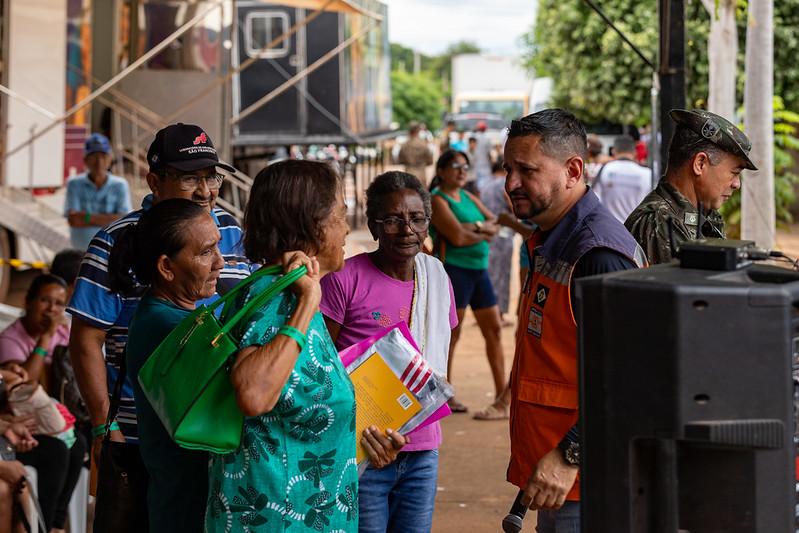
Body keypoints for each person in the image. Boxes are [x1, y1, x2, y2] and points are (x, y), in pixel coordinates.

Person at [67, 123, 250, 469]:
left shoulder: (230, 230)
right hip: (142, 437)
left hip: (218, 431)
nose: (204, 192)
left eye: (211, 178)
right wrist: (104, 425)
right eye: (189, 178)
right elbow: (86, 341)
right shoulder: (115, 242)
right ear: (154, 182)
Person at [503, 109, 646, 532]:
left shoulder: (598, 254)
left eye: (526, 170)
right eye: (508, 168)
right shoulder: (553, 237)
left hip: (587, 480)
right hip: (559, 476)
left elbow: (631, 372)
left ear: (573, 170)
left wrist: (571, 454)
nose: (511, 183)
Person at [206, 160, 358, 531]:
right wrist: (307, 304)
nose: (347, 228)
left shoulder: (294, 288)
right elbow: (254, 394)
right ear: (311, 223)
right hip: (277, 517)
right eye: (340, 214)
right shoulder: (281, 298)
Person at [320, 171, 457, 532]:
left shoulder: (437, 279)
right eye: (392, 219)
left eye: (416, 219)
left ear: (428, 223)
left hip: (422, 450)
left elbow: (440, 359)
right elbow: (321, 367)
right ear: (373, 225)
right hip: (363, 451)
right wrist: (360, 431)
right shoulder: (343, 280)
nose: (406, 229)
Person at [106, 198, 223, 531]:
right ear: (166, 268)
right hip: (188, 509)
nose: (220, 262)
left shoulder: (168, 313)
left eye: (217, 248)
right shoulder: (169, 327)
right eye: (205, 253)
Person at [0, 275, 86, 533]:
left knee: (78, 442)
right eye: (44, 300)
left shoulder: (65, 332)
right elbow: (26, 385)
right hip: (20, 418)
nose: (52, 309)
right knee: (55, 451)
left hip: (31, 422)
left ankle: (57, 525)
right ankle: (46, 525)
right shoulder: (10, 339)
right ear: (28, 302)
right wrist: (45, 339)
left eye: (59, 303)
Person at [625, 109, 757, 264]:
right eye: (734, 173)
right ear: (700, 164)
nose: (736, 184)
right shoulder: (659, 222)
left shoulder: (697, 215)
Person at [429, 150, 505, 414]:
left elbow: (495, 224)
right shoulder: (437, 200)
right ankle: (444, 395)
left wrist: (474, 228)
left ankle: (501, 395)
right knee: (452, 334)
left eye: (465, 166)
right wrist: (481, 229)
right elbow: (457, 239)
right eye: (455, 166)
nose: (462, 171)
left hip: (479, 271)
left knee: (494, 330)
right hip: (455, 271)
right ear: (440, 171)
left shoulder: (468, 196)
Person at [64, 133, 132, 250]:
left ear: (110, 159)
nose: (99, 161)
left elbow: (124, 221)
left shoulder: (120, 185)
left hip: (111, 251)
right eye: (94, 156)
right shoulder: (74, 184)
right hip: (81, 251)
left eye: (103, 156)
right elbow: (74, 220)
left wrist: (86, 217)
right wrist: (110, 219)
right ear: (85, 160)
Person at [592, 135, 653, 223]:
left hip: (610, 229)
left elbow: (595, 199)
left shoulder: (605, 170)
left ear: (613, 151)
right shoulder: (647, 174)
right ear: (634, 152)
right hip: (635, 231)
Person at [472, 121, 493, 189]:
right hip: (485, 165)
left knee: (476, 185)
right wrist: (491, 163)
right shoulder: (487, 139)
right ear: (485, 129)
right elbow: (489, 153)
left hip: (475, 164)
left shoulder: (473, 137)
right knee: (485, 186)